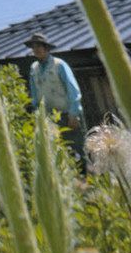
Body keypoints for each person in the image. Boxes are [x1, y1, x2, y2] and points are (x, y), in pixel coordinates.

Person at [26, 31, 86, 168]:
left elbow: (73, 90)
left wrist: (74, 113)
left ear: (46, 48)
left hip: (67, 114)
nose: (36, 50)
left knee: (77, 148)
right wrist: (38, 115)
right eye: (33, 47)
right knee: (58, 151)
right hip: (49, 117)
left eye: (39, 46)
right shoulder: (33, 68)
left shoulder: (59, 65)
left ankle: (86, 182)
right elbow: (34, 94)